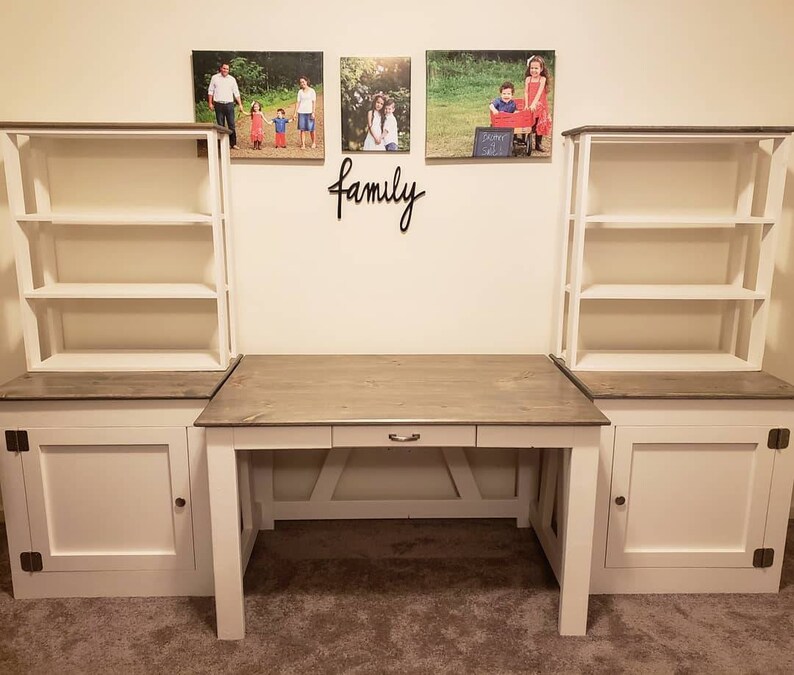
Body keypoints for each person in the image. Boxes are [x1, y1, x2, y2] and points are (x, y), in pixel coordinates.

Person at [208, 63, 244, 149]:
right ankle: (223, 144)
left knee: (231, 124)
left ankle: (233, 143)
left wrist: (240, 104)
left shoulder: (232, 79)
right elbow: (210, 91)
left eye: (227, 69)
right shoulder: (215, 78)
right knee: (220, 125)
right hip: (218, 104)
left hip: (229, 104)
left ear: (229, 70)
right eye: (224, 68)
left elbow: (236, 92)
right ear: (221, 69)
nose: (225, 70)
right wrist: (210, 103)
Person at [524, 55, 553, 153]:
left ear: (541, 69)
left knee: (539, 124)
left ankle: (538, 144)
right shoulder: (528, 79)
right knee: (530, 123)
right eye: (532, 68)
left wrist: (534, 104)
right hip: (530, 105)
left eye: (536, 68)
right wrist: (527, 104)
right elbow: (526, 92)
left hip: (540, 105)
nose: (534, 70)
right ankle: (527, 142)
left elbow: (539, 93)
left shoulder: (542, 79)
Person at [293, 76, 317, 149]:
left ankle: (313, 143)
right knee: (302, 129)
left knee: (311, 129)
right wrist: (295, 113)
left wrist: (313, 112)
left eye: (303, 82)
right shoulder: (300, 92)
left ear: (306, 81)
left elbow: (314, 102)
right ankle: (303, 144)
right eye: (300, 82)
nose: (302, 83)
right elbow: (297, 102)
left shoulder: (312, 91)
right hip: (301, 112)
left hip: (309, 112)